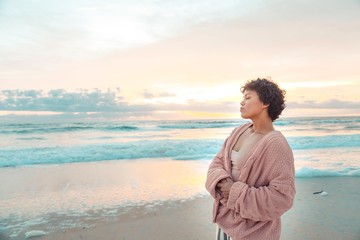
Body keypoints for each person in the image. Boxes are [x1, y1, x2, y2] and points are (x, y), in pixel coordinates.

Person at [205, 78, 295, 240]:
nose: (241, 103)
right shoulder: (239, 131)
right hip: (225, 224)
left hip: (253, 232)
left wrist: (235, 191)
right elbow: (217, 163)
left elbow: (282, 197)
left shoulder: (276, 143)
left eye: (248, 98)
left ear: (265, 103)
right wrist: (222, 180)